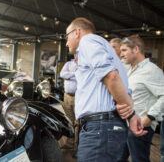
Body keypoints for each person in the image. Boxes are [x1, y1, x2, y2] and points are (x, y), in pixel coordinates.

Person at [65, 17, 147, 162]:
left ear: (77, 32)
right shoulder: (107, 50)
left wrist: (132, 114)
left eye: (67, 36)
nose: (66, 43)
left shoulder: (87, 41)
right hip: (105, 127)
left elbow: (112, 77)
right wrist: (131, 113)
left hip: (99, 129)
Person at [119, 35, 164, 162]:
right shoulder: (130, 70)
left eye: (124, 50)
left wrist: (150, 117)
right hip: (126, 124)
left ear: (136, 49)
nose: (121, 54)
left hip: (141, 126)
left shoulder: (151, 71)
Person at [60, 54, 78, 151]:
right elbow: (62, 74)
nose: (76, 56)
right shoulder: (68, 64)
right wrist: (74, 74)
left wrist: (69, 75)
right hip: (67, 96)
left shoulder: (83, 65)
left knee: (77, 122)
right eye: (75, 54)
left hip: (78, 97)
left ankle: (76, 146)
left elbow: (81, 77)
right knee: (68, 120)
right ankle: (69, 145)